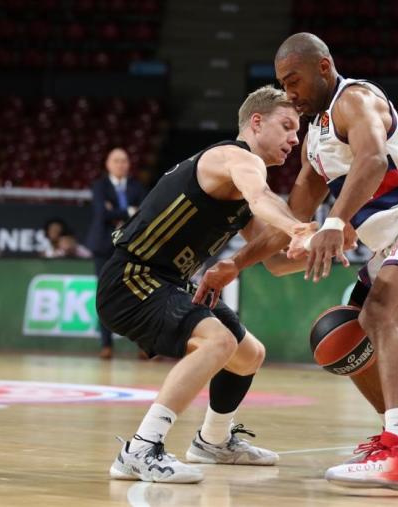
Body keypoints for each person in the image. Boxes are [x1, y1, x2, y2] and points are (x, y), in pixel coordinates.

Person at [197, 32, 398, 490]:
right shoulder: (315, 144)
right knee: (341, 340)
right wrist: (237, 263)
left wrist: (336, 222)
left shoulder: (357, 99)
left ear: (323, 66)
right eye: (283, 85)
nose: (290, 93)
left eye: (294, 81)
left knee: (380, 313)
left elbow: (372, 161)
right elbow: (288, 226)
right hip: (395, 242)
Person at [97, 85, 315, 483]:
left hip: (171, 282)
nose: (293, 139)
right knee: (219, 342)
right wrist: (299, 227)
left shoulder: (241, 190)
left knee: (248, 354)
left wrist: (316, 246)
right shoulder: (233, 158)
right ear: (256, 121)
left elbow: (277, 263)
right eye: (286, 126)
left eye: (297, 131)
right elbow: (263, 197)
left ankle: (213, 441)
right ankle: (141, 449)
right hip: (132, 276)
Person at [86, 148, 147, 359]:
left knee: (137, 294)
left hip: (131, 246)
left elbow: (144, 213)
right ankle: (106, 345)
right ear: (107, 164)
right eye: (116, 161)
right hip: (103, 247)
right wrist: (128, 211)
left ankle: (143, 345)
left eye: (124, 161)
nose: (120, 164)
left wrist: (119, 212)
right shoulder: (99, 186)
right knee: (104, 295)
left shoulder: (137, 187)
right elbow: (102, 214)